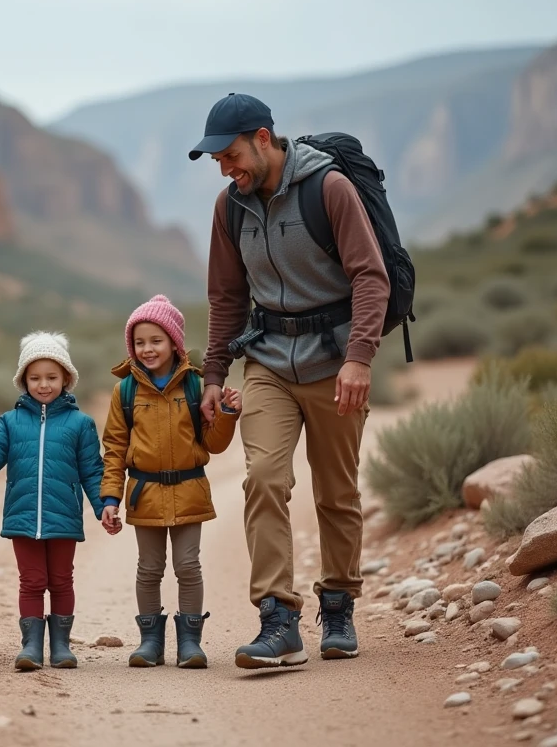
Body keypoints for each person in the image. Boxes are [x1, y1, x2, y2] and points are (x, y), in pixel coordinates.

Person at [189, 93, 390, 668]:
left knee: (336, 490)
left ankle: (340, 605)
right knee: (264, 480)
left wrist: (359, 358)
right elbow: (226, 297)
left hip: (335, 363)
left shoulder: (329, 189)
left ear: (261, 136)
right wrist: (212, 374)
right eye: (217, 163)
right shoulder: (230, 208)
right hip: (269, 362)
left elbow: (370, 277)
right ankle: (278, 619)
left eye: (230, 156)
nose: (226, 170)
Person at [0, 331, 106, 671]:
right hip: (22, 517)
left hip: (63, 518)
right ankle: (31, 646)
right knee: (31, 582)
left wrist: (105, 506)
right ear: (23, 380)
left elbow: (93, 472)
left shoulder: (81, 424)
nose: (43, 384)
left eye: (51, 377)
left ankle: (61, 647)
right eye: (34, 378)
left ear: (66, 379)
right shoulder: (10, 422)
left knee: (61, 581)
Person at [99, 295, 242, 669]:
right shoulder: (125, 392)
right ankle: (150, 643)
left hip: (189, 490)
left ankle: (190, 644)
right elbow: (114, 447)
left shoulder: (195, 387)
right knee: (148, 569)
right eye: (140, 342)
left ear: (175, 343)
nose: (147, 349)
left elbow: (213, 443)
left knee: (188, 567)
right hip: (143, 493)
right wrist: (110, 497)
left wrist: (226, 414)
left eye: (156, 341)